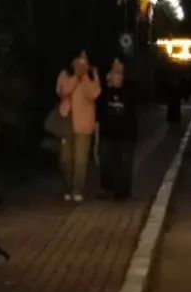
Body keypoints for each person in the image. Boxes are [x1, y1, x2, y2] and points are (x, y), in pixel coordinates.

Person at [56, 52, 101, 202]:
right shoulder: (65, 74)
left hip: (84, 125)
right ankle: (68, 186)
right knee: (65, 159)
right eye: (79, 60)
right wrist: (76, 76)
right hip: (67, 124)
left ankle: (78, 189)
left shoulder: (92, 75)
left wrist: (85, 76)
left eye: (84, 61)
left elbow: (93, 94)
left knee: (80, 161)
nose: (82, 64)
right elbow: (63, 92)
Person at [98, 58, 137, 200]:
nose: (117, 76)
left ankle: (123, 190)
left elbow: (132, 112)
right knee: (106, 161)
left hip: (126, 135)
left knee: (124, 163)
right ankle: (107, 188)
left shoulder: (130, 90)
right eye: (115, 74)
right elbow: (99, 112)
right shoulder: (105, 93)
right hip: (107, 134)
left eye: (120, 73)